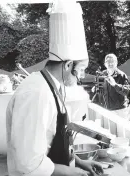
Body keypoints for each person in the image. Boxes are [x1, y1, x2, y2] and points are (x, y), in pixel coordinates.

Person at [6, 1, 104, 175]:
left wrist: (80, 162)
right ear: (67, 65)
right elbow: (29, 163)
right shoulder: (37, 94)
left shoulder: (52, 86)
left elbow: (56, 139)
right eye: (80, 70)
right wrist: (69, 171)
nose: (80, 77)